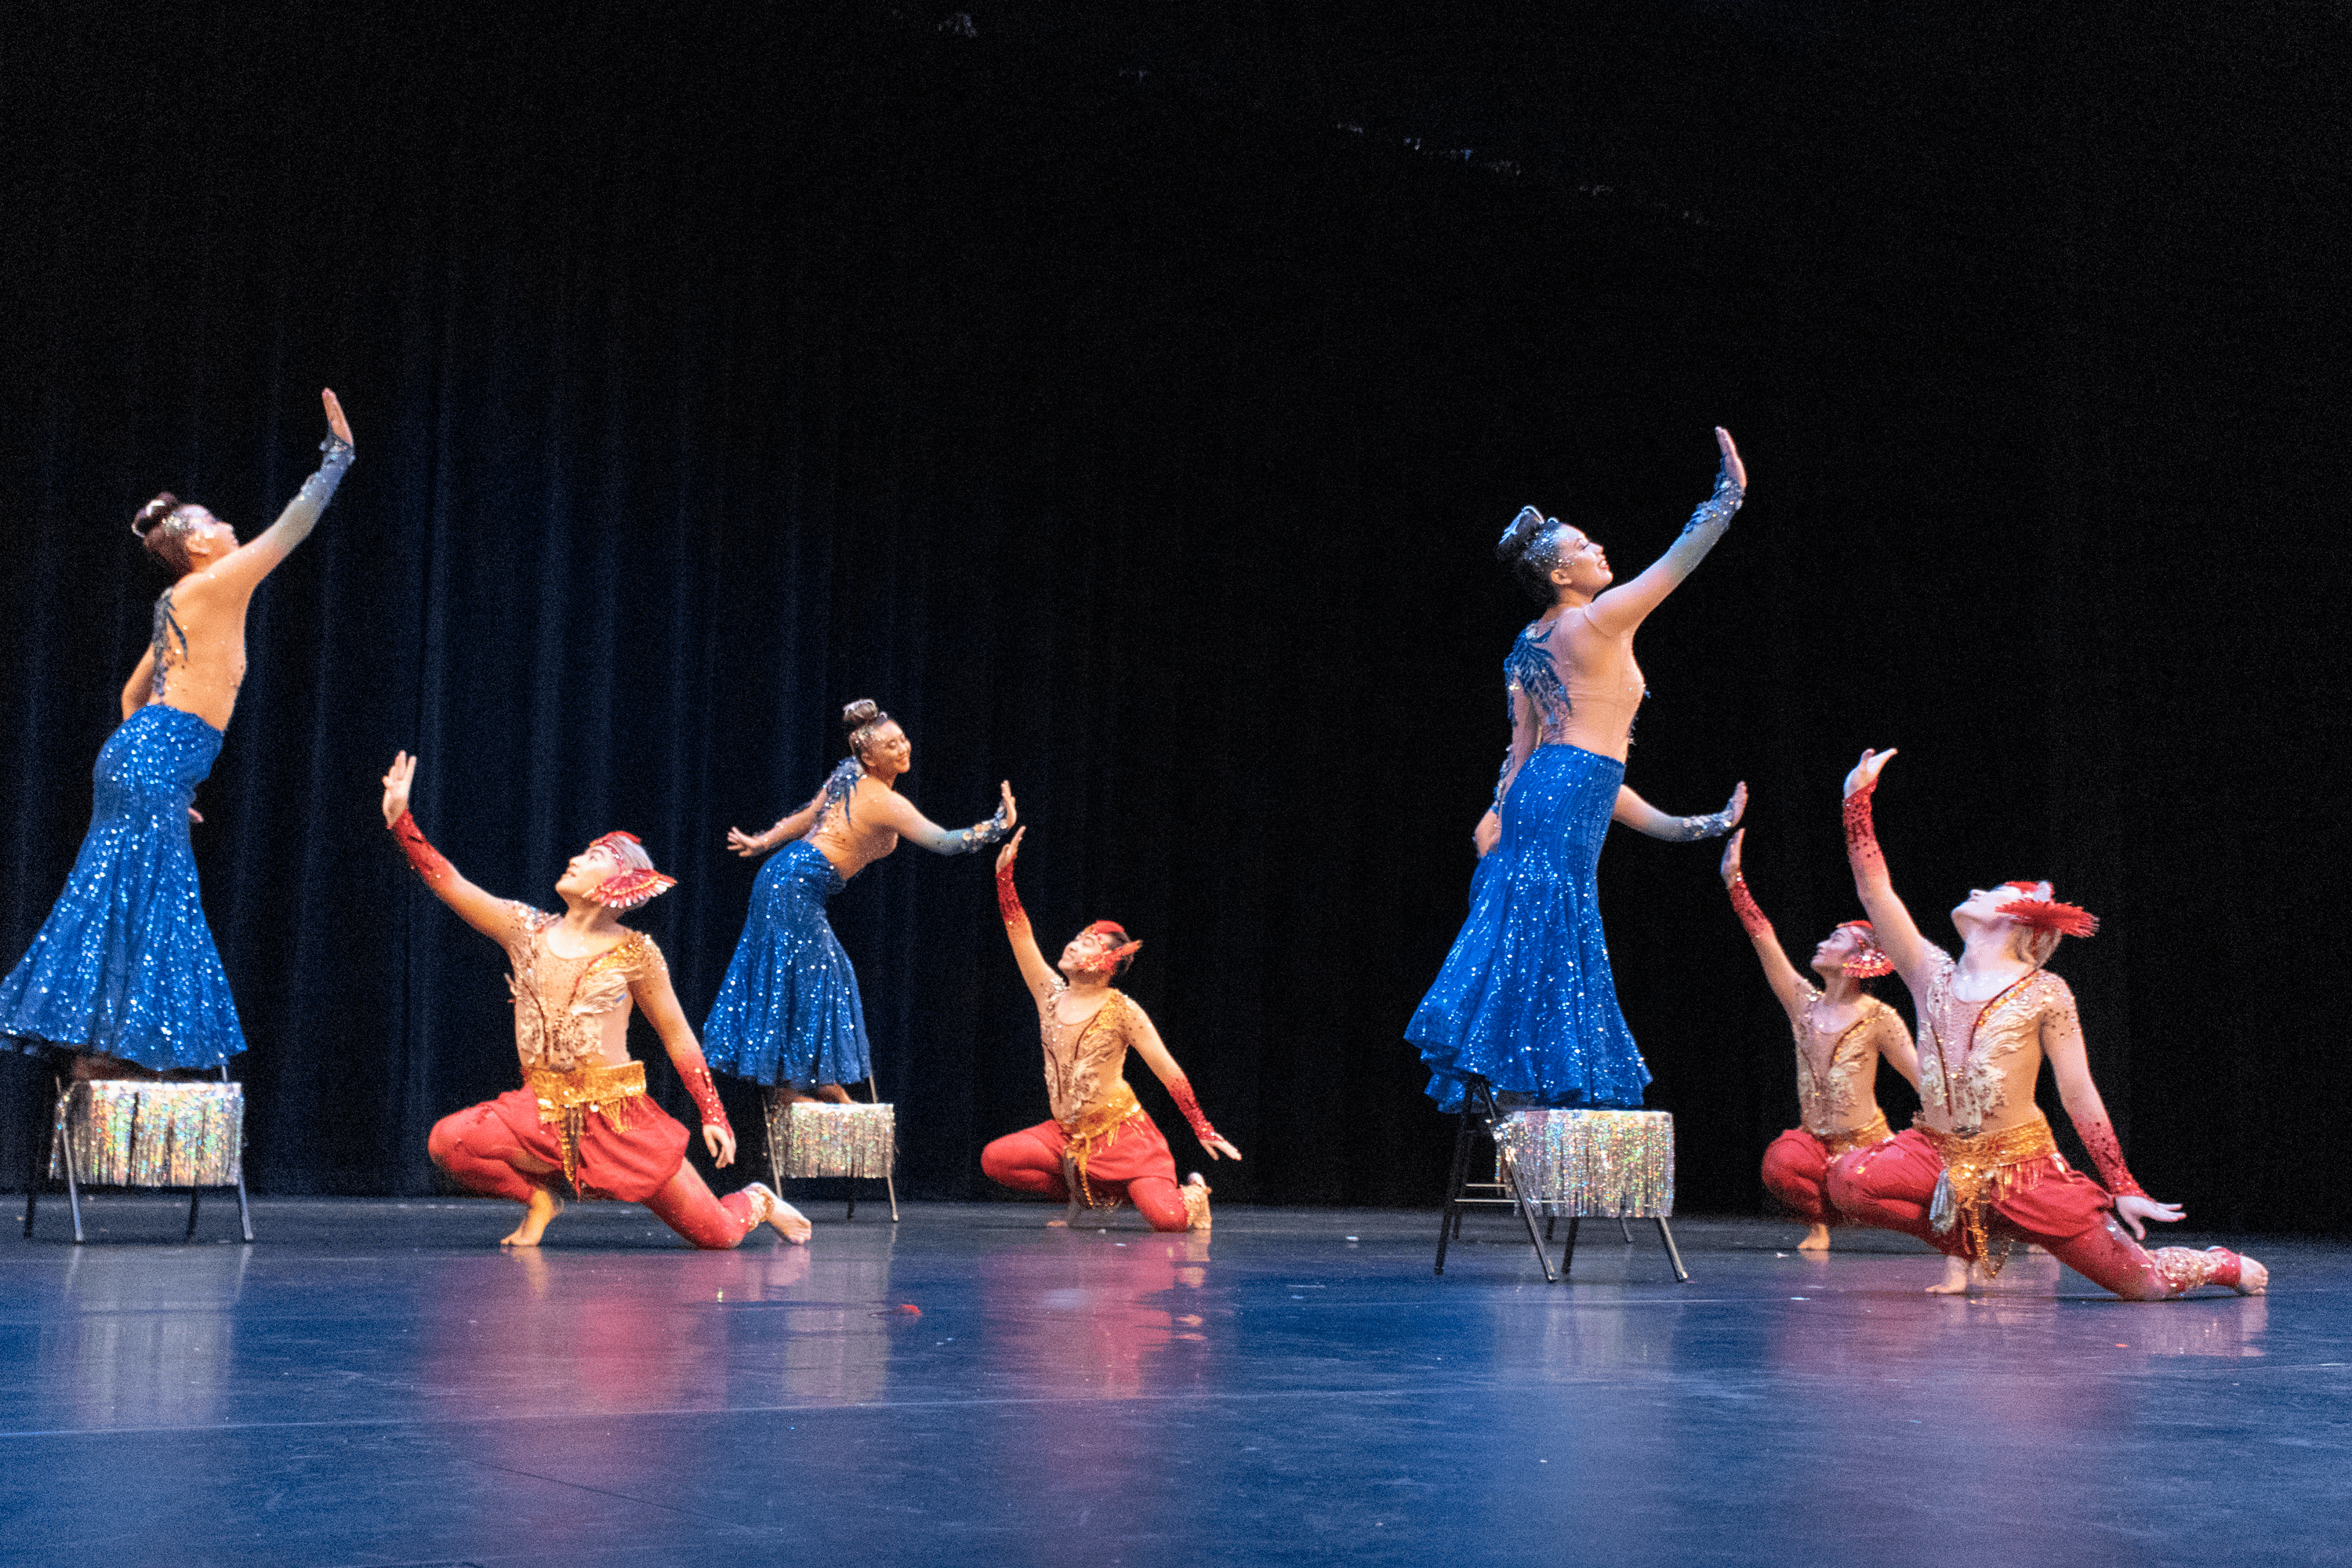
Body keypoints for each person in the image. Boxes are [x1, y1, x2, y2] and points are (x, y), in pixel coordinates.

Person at [0, 390, 354, 1073]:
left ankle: (102, 1051)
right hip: (151, 760)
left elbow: (134, 693)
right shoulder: (216, 581)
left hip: (142, 758)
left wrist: (160, 772)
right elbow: (294, 527)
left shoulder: (177, 601)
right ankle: (109, 1054)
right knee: (151, 895)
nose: (228, 527)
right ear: (197, 542)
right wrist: (338, 457)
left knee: (123, 892)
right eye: (217, 521)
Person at [1825, 748, 2263, 1297]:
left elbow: (2078, 1093)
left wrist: (2121, 1183)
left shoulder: (2046, 994)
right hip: (1937, 1152)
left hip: (2022, 1168)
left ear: (2016, 919)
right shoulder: (1928, 972)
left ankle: (2215, 1264)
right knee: (1849, 1181)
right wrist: (1856, 802)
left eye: (1994, 892)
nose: (1978, 892)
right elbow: (1874, 890)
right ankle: (1975, 1241)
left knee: (2140, 1284)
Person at [1408, 428, 1750, 1112]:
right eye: (1583, 548)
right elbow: (1678, 562)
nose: (1599, 551)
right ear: (1561, 576)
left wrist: (1699, 825)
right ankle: (1528, 1121)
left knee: (1534, 948)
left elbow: (1541, 760)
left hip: (1547, 793)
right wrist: (1728, 496)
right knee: (1548, 946)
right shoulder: (1596, 622)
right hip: (1560, 795)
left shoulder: (1528, 642)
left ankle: (1520, 1114)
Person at [381, 751, 809, 1249]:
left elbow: (677, 1034)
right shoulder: (525, 930)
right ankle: (541, 1200)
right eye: (580, 854)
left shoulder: (636, 954)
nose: (575, 860)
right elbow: (451, 884)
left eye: (592, 859)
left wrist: (713, 1111)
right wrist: (401, 821)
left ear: (614, 885)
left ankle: (757, 1201)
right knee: (450, 1142)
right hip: (539, 1110)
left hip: (619, 1121)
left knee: (717, 1236)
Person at [704, 699, 1014, 1099]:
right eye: (890, 746)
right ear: (867, 755)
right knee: (817, 973)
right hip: (794, 884)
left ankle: (804, 1077)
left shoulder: (847, 775)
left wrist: (764, 842)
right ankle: (795, 1083)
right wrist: (998, 825)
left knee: (817, 971)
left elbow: (808, 817)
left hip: (785, 877)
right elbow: (944, 842)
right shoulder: (884, 801)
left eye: (903, 740)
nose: (903, 748)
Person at [979, 829, 1238, 1231]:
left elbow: (1167, 1069)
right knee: (996, 1159)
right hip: (1067, 1136)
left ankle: (1193, 1194)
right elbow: (1020, 933)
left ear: (1107, 962)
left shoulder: (1122, 1011)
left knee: (1167, 1222)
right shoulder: (1048, 992)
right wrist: (1004, 877)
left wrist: (1201, 1125)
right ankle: (1089, 1194)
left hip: (1126, 1139)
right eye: (1077, 938)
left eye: (1086, 943)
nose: (1073, 945)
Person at [1719, 825, 1919, 1250]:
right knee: (1781, 1162)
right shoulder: (1803, 1005)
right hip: (1817, 1142)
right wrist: (1735, 882)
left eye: (1835, 940)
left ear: (1858, 958)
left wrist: (1958, 1130)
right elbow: (1764, 940)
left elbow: (1921, 1077)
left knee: (1883, 1197)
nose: (1822, 943)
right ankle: (1820, 1224)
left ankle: (1954, 1227)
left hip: (1867, 1146)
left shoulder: (1879, 1017)